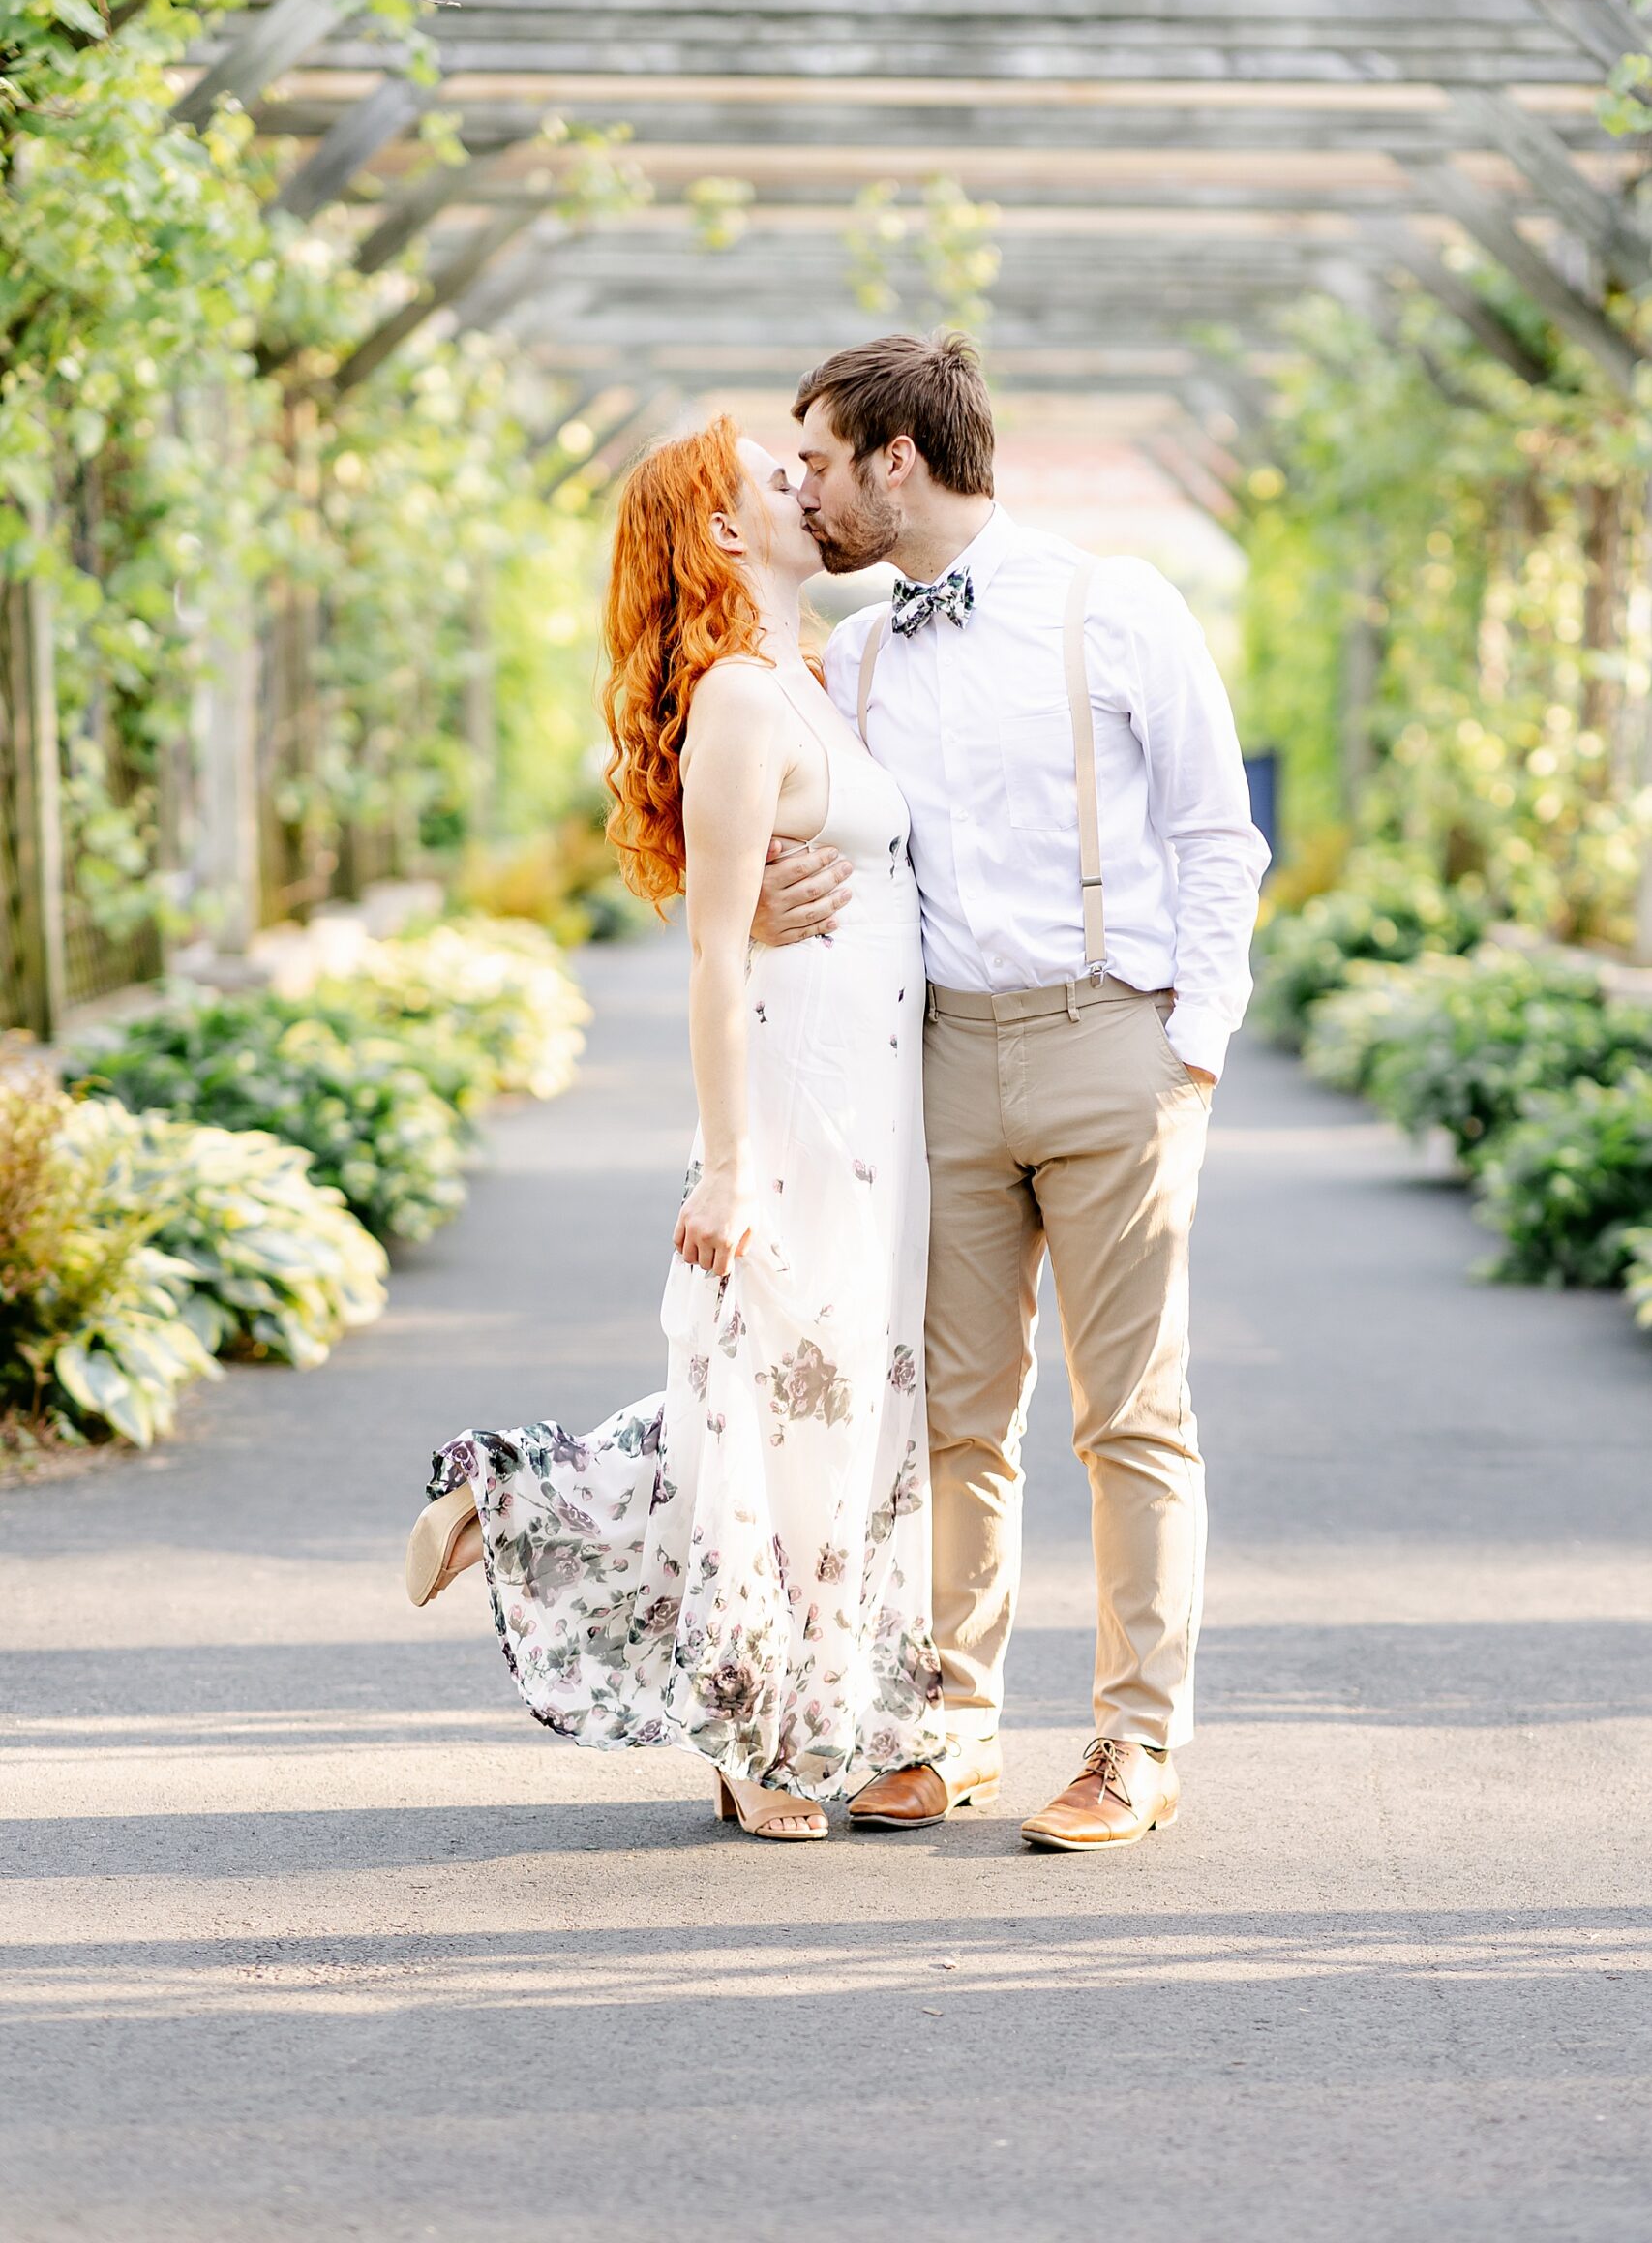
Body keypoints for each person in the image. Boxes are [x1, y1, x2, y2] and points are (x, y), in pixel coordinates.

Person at [753, 333, 1269, 1851]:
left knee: (1133, 1416)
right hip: (943, 1063)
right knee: (953, 1418)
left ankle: (1133, 1745)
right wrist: (771, 896)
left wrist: (1195, 1047)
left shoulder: (1116, 605)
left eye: (826, 466)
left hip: (1116, 1042)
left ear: (897, 461)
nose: (812, 495)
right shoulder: (849, 653)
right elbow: (801, 827)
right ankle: (952, 1722)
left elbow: (1216, 833)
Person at [405, 417, 945, 1841]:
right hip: (796, 1103)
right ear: (722, 534)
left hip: (879, 1110)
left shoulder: (815, 677)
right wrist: (728, 1164)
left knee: (835, 1407)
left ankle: (520, 1506)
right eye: (782, 481)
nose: (810, 490)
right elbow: (713, 954)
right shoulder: (741, 706)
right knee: (775, 1405)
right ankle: (755, 1736)